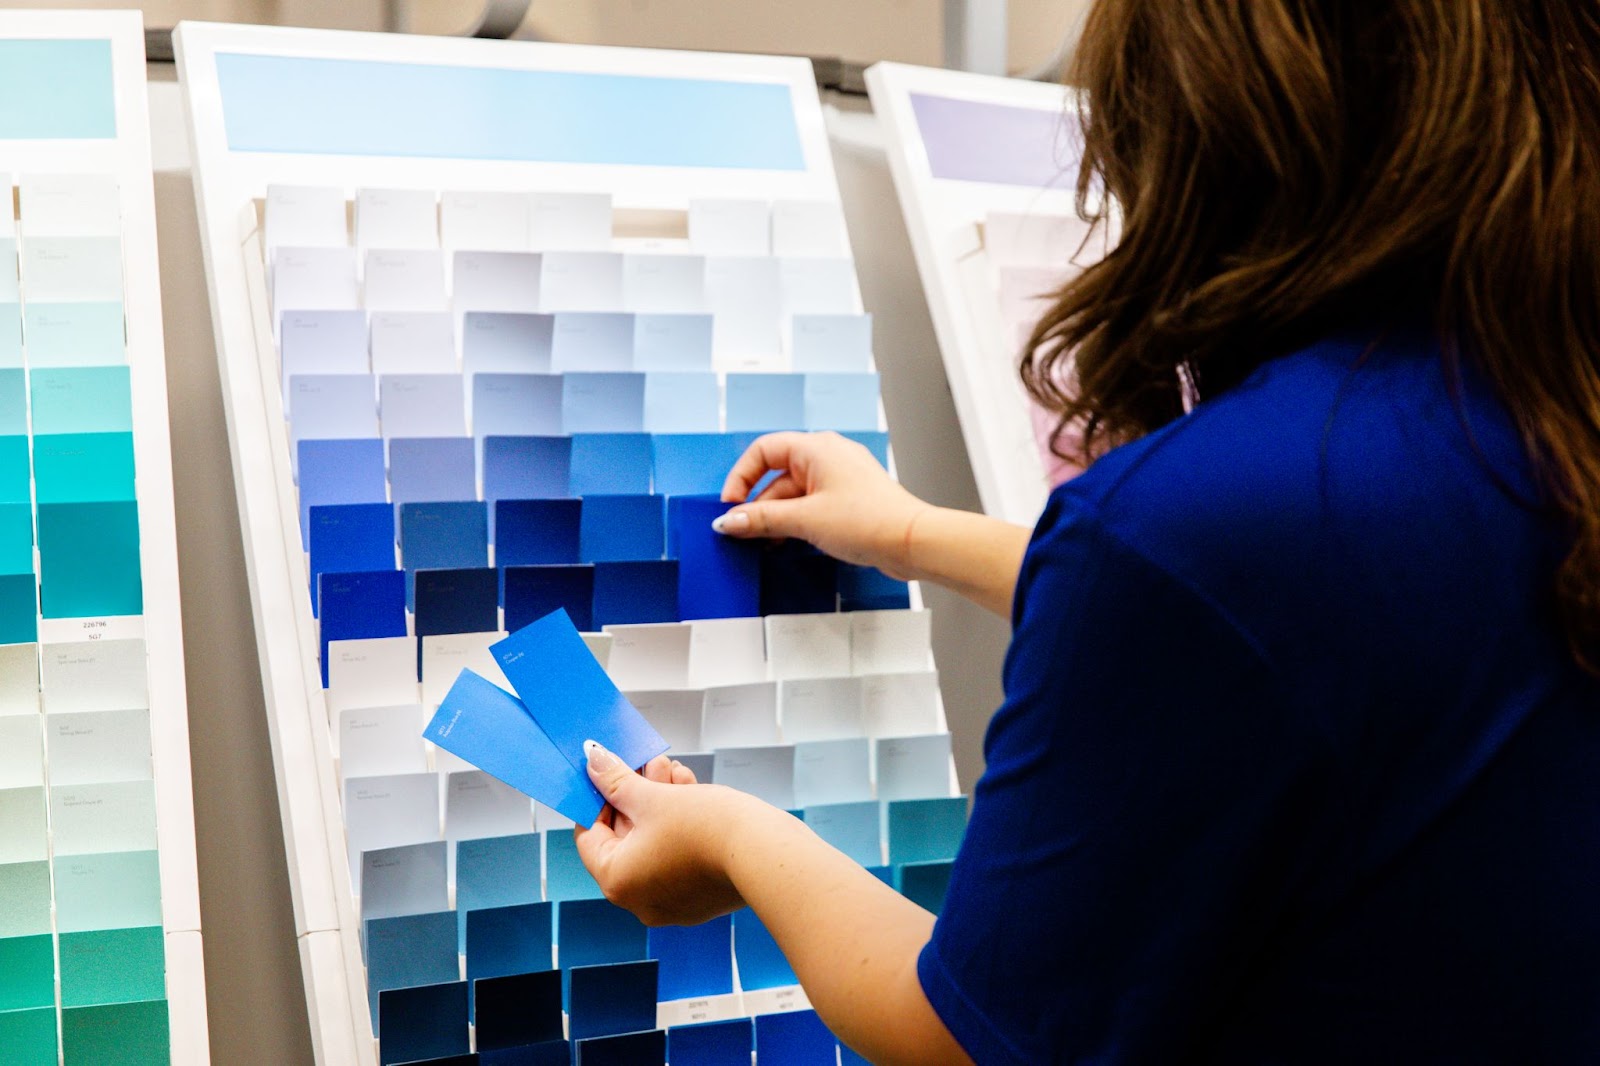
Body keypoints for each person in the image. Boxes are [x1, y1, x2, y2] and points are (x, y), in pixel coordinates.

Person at [577, 1, 1600, 1062]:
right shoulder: (1535, 410)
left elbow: (959, 1036)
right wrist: (911, 532)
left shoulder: (1213, 521)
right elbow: (1291, 635)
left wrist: (739, 840)